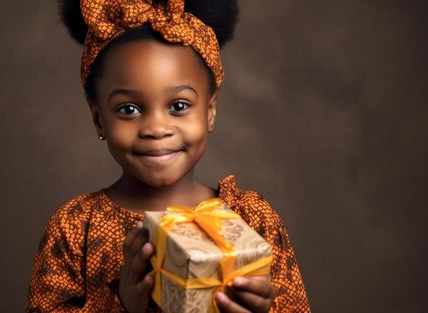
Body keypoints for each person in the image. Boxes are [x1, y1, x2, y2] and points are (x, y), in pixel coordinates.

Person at [27, 0, 311, 312]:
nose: (157, 128)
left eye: (178, 106)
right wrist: (123, 303)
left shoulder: (254, 219)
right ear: (99, 119)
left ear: (210, 111)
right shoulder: (75, 227)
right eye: (129, 109)